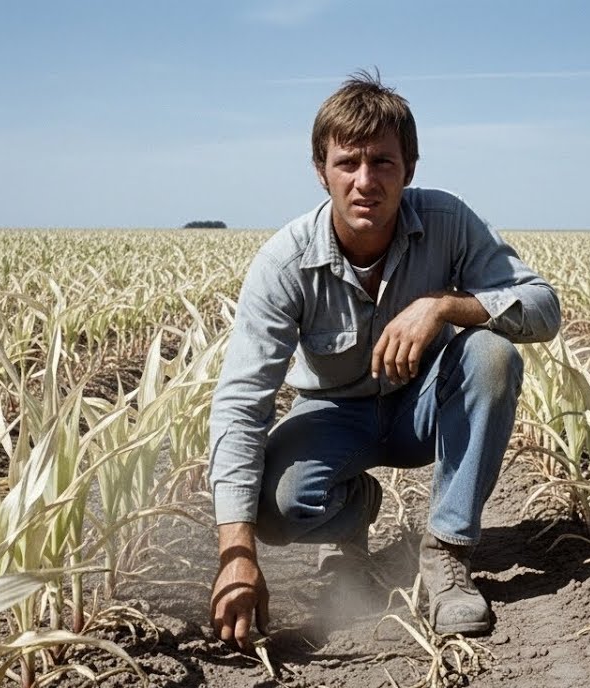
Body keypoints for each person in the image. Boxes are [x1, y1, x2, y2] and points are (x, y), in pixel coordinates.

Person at [208, 70, 561, 651]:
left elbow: (543, 309)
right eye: (348, 163)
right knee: (280, 508)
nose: (365, 181)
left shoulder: (448, 222)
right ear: (321, 170)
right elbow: (242, 403)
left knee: (492, 355)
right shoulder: (284, 263)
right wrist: (236, 554)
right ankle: (358, 509)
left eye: (383, 163)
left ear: (411, 169)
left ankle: (446, 553)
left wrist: (444, 306)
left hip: (420, 406)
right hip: (332, 415)